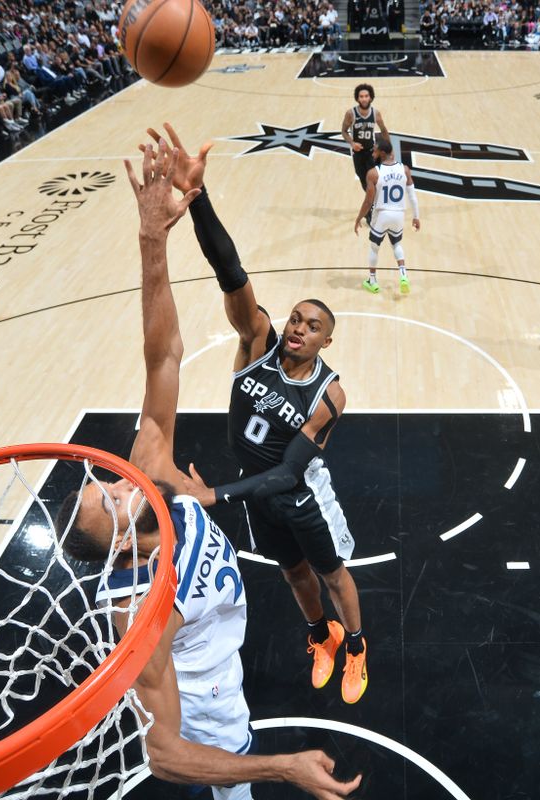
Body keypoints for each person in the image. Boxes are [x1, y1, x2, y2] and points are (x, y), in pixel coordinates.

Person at [56, 140, 363, 799]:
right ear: (118, 545)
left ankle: (345, 642)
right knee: (230, 777)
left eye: (101, 482)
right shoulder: (140, 614)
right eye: (105, 501)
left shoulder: (149, 474)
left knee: (323, 572)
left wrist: (151, 237)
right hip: (209, 690)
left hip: (270, 512)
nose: (114, 481)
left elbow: (163, 353)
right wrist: (282, 766)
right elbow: (164, 752)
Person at [146, 124, 368, 705]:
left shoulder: (329, 394)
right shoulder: (256, 346)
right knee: (294, 575)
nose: (297, 327)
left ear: (326, 342)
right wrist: (199, 200)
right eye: (295, 317)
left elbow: (292, 473)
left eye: (312, 325)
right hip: (258, 495)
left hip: (298, 494)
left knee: (332, 573)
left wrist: (217, 496)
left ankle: (356, 647)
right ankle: (321, 635)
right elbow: (232, 273)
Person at [354, 136, 420, 295]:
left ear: (382, 153)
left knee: (374, 248)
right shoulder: (405, 169)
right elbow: (412, 196)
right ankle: (403, 275)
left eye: (375, 149)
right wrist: (416, 216)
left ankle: (373, 280)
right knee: (396, 245)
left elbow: (368, 201)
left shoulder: (373, 173)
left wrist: (358, 219)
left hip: (382, 215)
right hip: (399, 215)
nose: (373, 151)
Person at [340, 84, 389, 192]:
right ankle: (372, 202)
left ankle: (375, 204)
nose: (364, 99)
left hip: (372, 151)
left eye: (366, 96)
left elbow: (384, 130)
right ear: (357, 98)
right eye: (361, 96)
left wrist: (389, 149)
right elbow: (344, 131)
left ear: (370, 97)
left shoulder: (376, 113)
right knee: (364, 180)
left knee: (375, 180)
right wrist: (352, 143)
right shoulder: (350, 113)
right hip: (358, 152)